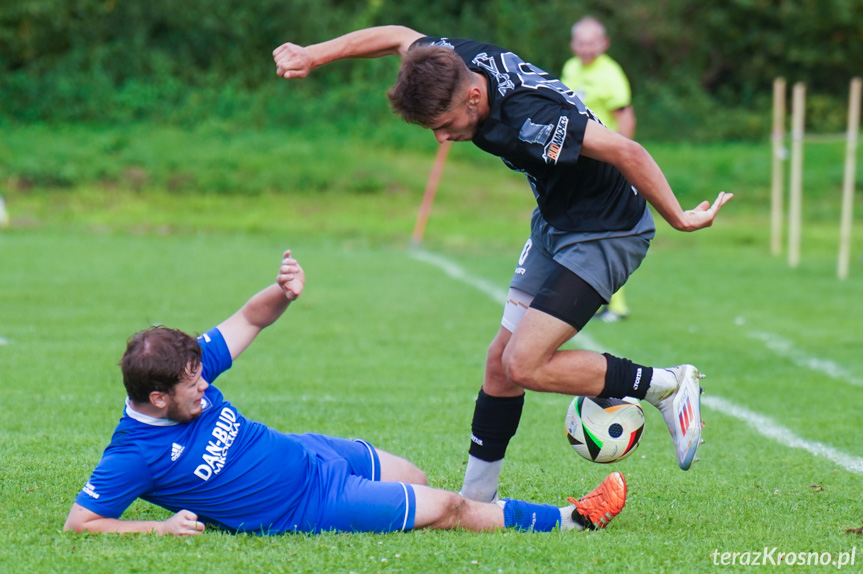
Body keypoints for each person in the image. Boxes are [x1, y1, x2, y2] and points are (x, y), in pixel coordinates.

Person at [273, 26, 731, 504]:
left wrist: (679, 217)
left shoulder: (529, 117)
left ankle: (668, 384)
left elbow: (625, 149)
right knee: (500, 365)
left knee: (525, 364)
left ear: (474, 95)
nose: (441, 138)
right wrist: (312, 53)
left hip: (607, 230)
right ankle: (476, 500)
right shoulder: (448, 60)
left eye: (445, 123)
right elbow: (395, 36)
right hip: (555, 224)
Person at [64, 250, 628, 536]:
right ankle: (570, 520)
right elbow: (80, 524)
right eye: (192, 385)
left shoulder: (186, 368)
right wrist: (158, 527)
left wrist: (282, 291)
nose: (205, 383)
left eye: (200, 372)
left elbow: (249, 319)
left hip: (312, 453)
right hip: (308, 504)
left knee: (416, 478)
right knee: (448, 508)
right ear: (157, 398)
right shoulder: (131, 455)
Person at [561, 16, 637, 323]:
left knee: (607, 230)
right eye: (581, 42)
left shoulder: (610, 74)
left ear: (603, 43)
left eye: (592, 42)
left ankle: (617, 305)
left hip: (606, 161)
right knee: (583, 228)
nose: (586, 48)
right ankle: (592, 299)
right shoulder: (570, 68)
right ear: (573, 45)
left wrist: (624, 156)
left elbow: (625, 115)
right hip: (579, 162)